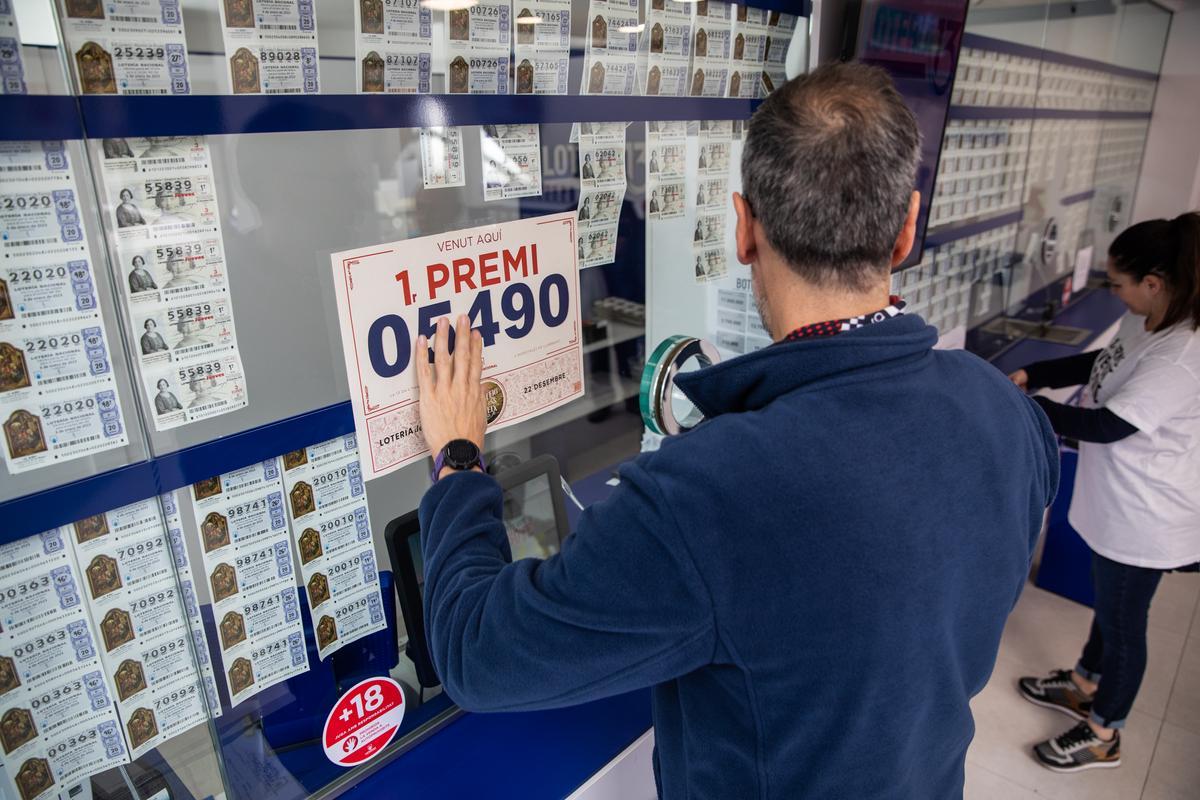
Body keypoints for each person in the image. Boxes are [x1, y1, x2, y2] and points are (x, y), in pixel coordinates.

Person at [413, 63, 1058, 799]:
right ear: (908, 227)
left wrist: (459, 458)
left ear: (744, 228)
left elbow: (478, 655)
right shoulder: (1007, 413)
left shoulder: (712, 491)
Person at [1009, 212, 1200, 773]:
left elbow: (1109, 424)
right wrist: (1039, 373)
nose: (1114, 294)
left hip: (1147, 516)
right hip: (1116, 501)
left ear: (1154, 282)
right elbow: (1104, 363)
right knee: (1109, 604)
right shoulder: (1151, 321)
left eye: (1119, 284)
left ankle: (1104, 732)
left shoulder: (1181, 354)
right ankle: (1084, 682)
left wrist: (1032, 409)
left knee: (1122, 625)